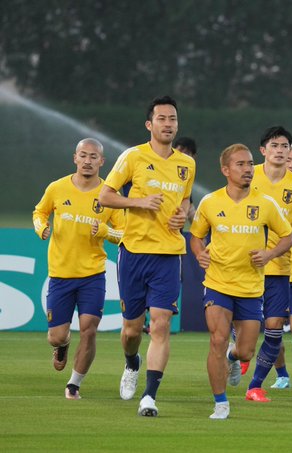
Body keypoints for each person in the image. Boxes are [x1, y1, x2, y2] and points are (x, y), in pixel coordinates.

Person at [99, 96, 196, 417]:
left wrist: (182, 214)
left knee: (161, 325)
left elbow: (185, 200)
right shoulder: (133, 156)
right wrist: (138, 203)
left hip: (168, 255)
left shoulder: (187, 164)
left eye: (173, 119)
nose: (168, 124)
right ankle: (131, 363)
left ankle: (149, 396)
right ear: (149, 124)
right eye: (162, 119)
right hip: (134, 253)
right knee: (131, 330)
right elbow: (105, 196)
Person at [190, 143, 292, 419]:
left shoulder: (265, 204)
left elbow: (288, 236)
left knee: (246, 351)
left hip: (250, 288)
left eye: (249, 163)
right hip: (218, 284)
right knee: (218, 339)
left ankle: (233, 358)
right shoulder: (210, 202)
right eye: (240, 164)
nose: (248, 169)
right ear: (226, 170)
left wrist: (269, 254)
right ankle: (220, 403)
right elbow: (196, 236)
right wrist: (200, 254)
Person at [33, 138, 125, 400]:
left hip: (92, 275)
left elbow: (125, 233)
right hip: (61, 274)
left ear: (102, 162)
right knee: (56, 336)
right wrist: (42, 228)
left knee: (89, 328)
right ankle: (61, 346)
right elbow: (39, 212)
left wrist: (105, 231)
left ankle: (74, 384)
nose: (87, 161)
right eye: (83, 155)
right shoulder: (57, 187)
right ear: (75, 158)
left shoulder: (109, 195)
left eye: (93, 157)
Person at [244, 127, 292, 402]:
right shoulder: (248, 175)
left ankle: (255, 385)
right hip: (245, 265)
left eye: (285, 146)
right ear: (263, 150)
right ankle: (236, 353)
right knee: (247, 330)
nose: (280, 150)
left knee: (274, 326)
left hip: (280, 267)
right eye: (274, 145)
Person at [269, 141, 292, 378]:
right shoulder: (267, 186)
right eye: (289, 159)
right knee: (271, 326)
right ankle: (282, 375)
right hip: (273, 267)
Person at [174, 136, 198, 219]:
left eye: (186, 153)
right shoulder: (160, 170)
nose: (182, 156)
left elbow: (190, 209)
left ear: (194, 157)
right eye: (179, 152)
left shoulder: (185, 179)